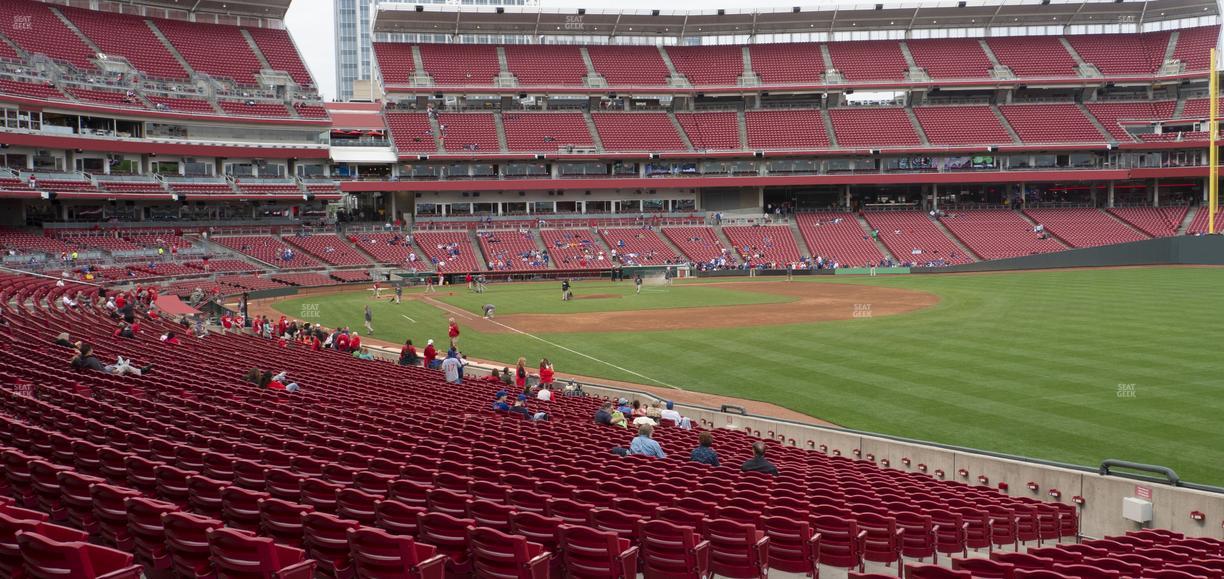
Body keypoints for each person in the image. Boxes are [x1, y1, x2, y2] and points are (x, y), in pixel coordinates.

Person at [70, 343, 152, 377]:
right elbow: (102, 374)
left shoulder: (81, 358)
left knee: (110, 365)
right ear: (89, 351)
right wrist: (114, 372)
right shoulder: (92, 360)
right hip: (108, 376)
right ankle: (141, 371)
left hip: (102, 370)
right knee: (126, 368)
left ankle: (120, 364)